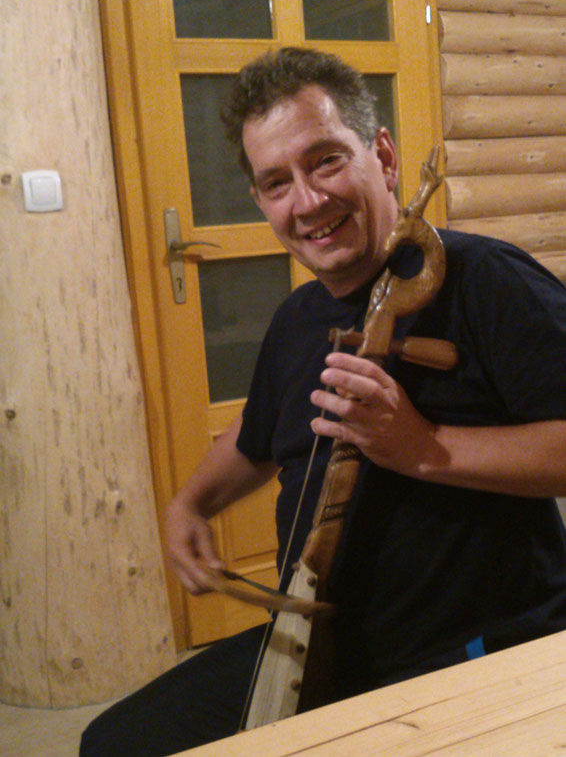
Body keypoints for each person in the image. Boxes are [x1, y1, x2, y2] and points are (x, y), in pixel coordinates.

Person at [80, 47, 566, 756]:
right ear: (260, 202)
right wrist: (190, 504)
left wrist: (424, 448)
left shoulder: (487, 280)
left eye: (326, 162)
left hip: (472, 649)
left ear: (384, 157)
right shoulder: (298, 318)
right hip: (319, 639)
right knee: (113, 743)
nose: (307, 202)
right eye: (277, 182)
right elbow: (257, 434)